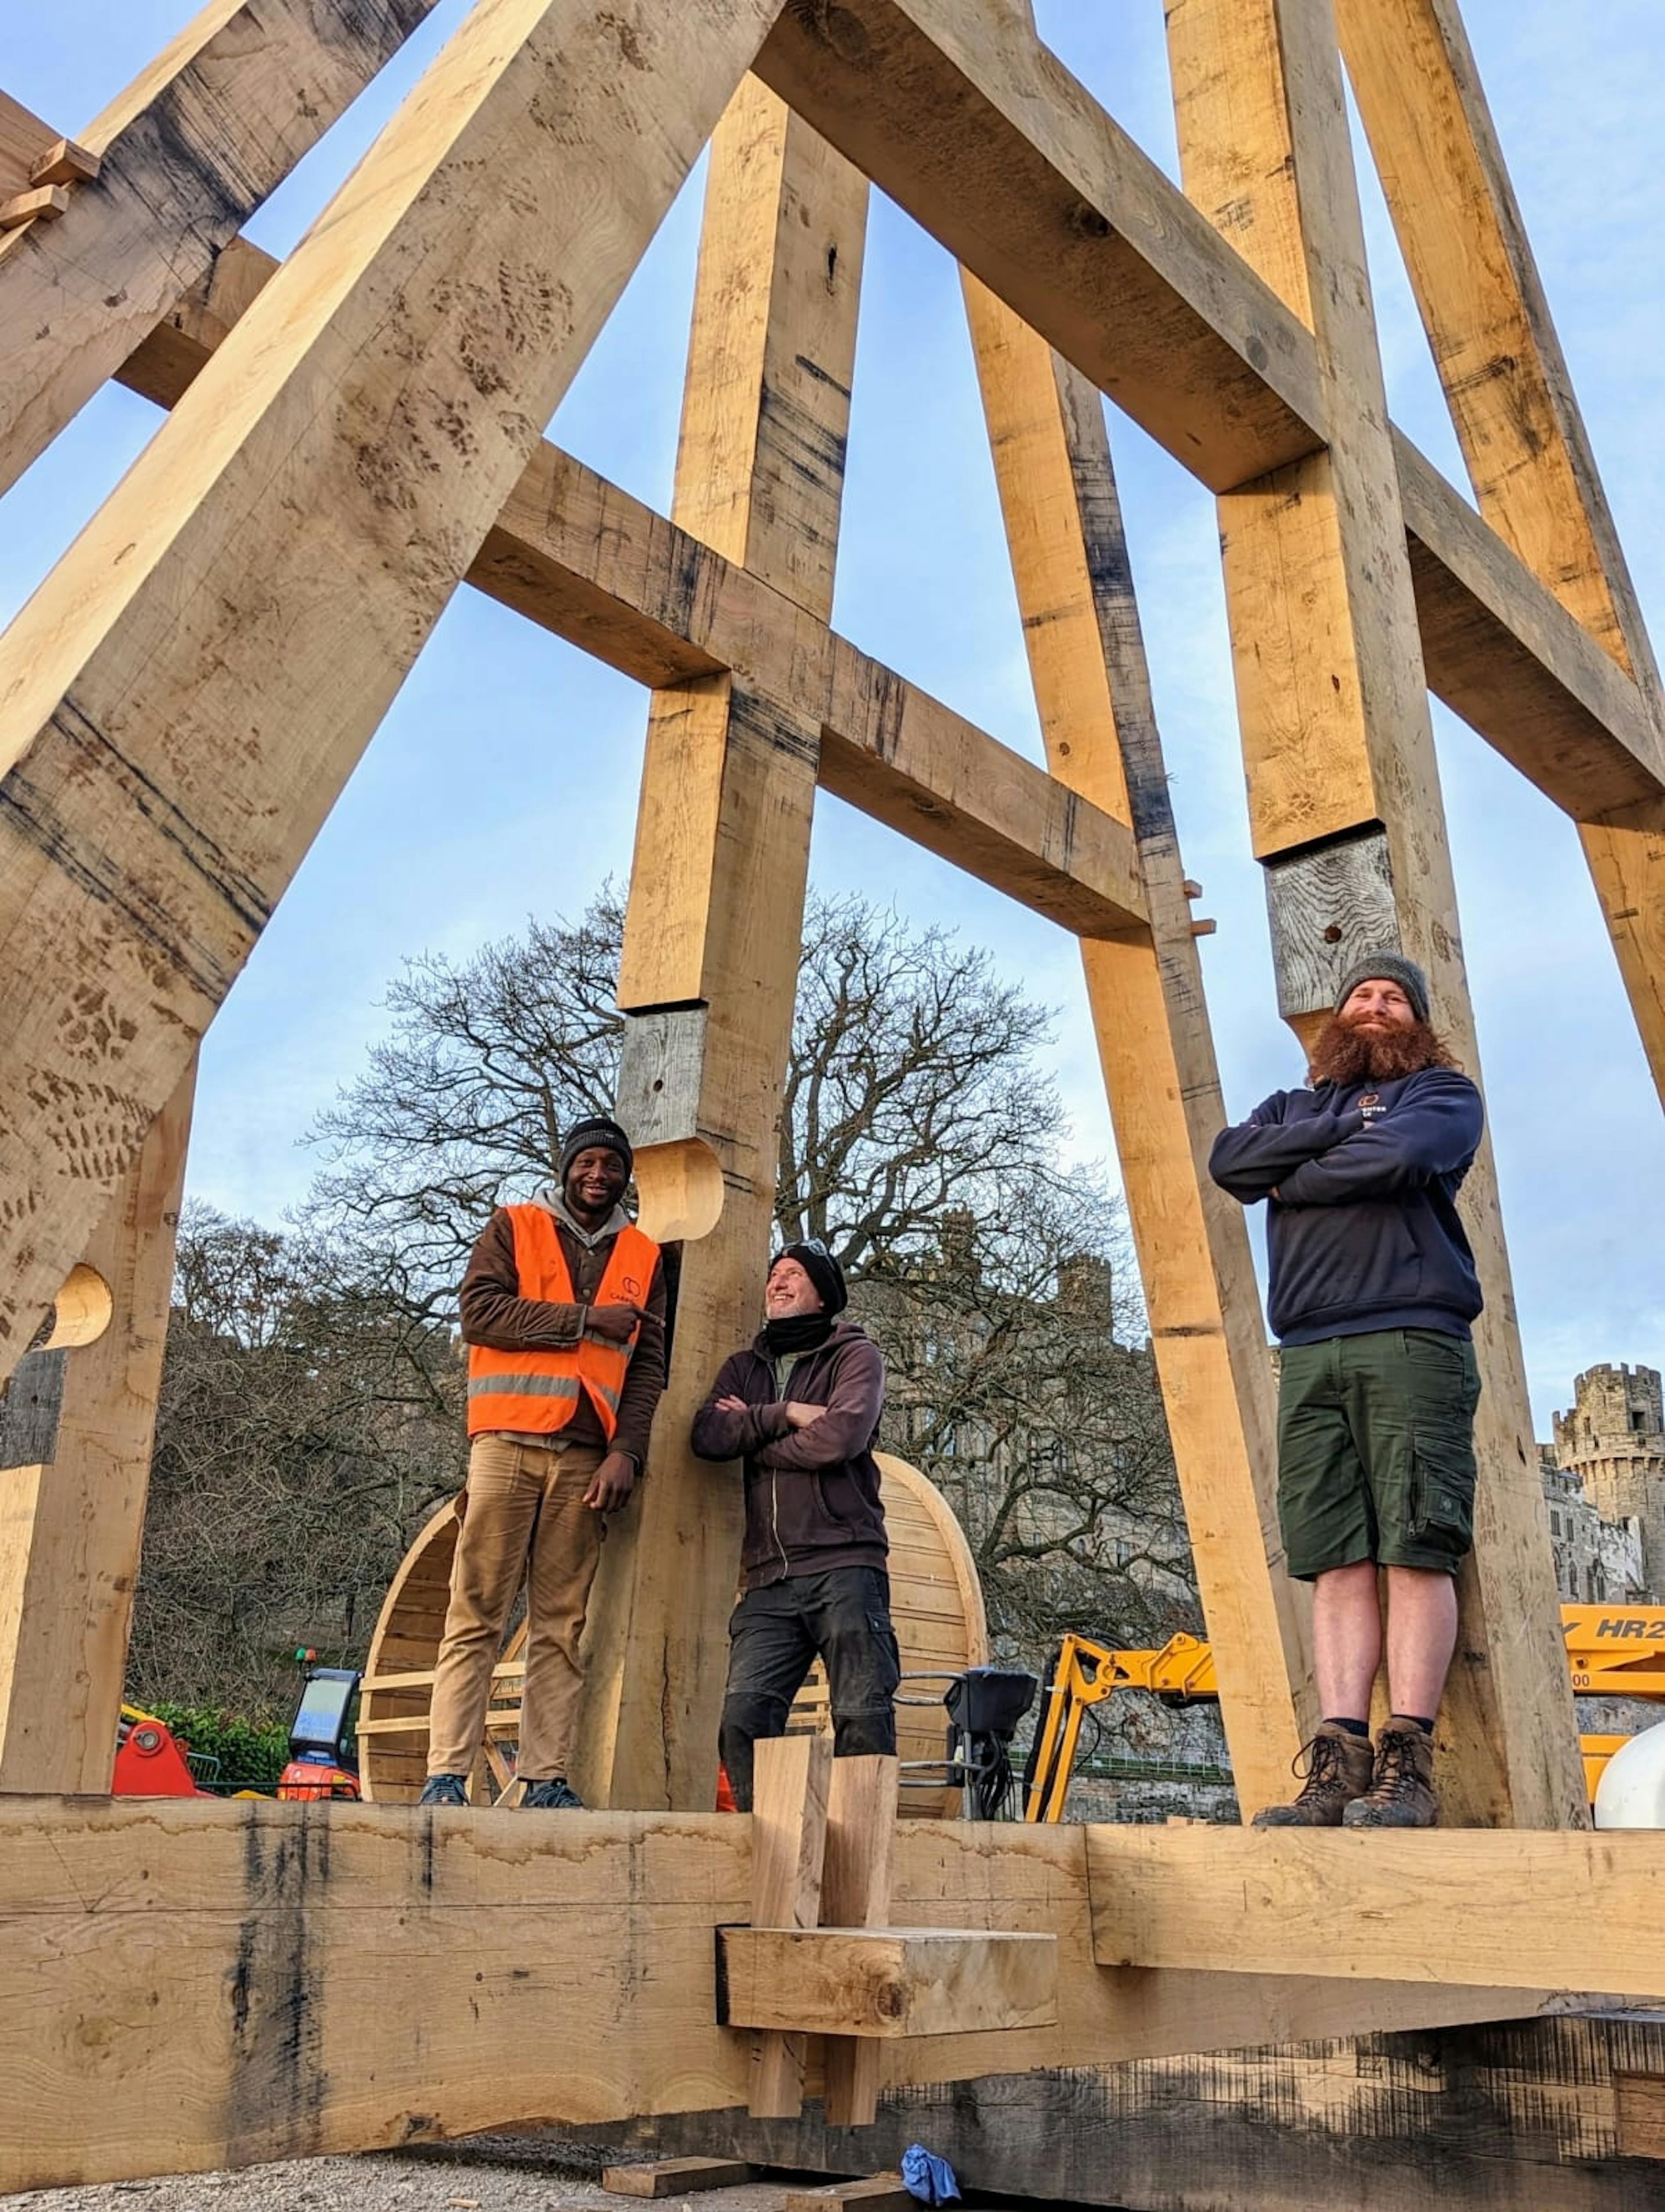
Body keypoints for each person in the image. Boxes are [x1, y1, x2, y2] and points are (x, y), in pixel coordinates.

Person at [1209, 954, 1484, 1829]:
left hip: (1411, 1331)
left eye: (1392, 997)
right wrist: (1335, 1138)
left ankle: (1409, 1758)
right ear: (1339, 1018)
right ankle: (1338, 1759)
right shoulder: (1295, 1104)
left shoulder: (1442, 1093)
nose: (1374, 1005)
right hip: (1309, 1346)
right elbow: (1231, 1160)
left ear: (1417, 1020)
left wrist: (1297, 1178)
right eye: (1362, 995)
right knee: (1335, 1557)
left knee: (1416, 1543)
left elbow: (1401, 1152)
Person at [420, 1115, 666, 1809]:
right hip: (506, 1443)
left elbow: (648, 1367)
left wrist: (627, 1453)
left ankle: (545, 1778)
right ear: (567, 1169)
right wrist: (584, 1322)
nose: (598, 1175)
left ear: (626, 1176)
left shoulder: (644, 1255)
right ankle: (446, 1774)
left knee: (563, 1622)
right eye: (587, 1163)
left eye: (612, 1166)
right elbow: (480, 1314)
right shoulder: (515, 1225)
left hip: (588, 1457)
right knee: (477, 1611)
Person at [691, 1238, 898, 1811]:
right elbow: (707, 1435)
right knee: (742, 1718)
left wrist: (755, 1443)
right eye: (774, 1275)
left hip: (844, 1562)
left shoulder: (856, 1358)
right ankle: (775, 1848)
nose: (778, 1283)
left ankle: (860, 1845)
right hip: (768, 1578)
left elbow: (840, 1438)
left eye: (793, 1275)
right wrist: (782, 1415)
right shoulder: (745, 1368)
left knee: (861, 1714)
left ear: (822, 1294)